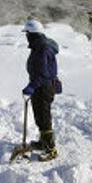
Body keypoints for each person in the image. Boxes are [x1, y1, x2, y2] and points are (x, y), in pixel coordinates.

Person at [21, 20, 60, 161]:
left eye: (26, 33)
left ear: (31, 34)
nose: (25, 36)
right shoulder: (40, 46)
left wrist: (32, 86)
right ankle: (43, 142)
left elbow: (42, 73)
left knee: (44, 118)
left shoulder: (42, 48)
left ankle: (51, 150)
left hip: (43, 87)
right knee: (40, 116)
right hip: (41, 86)